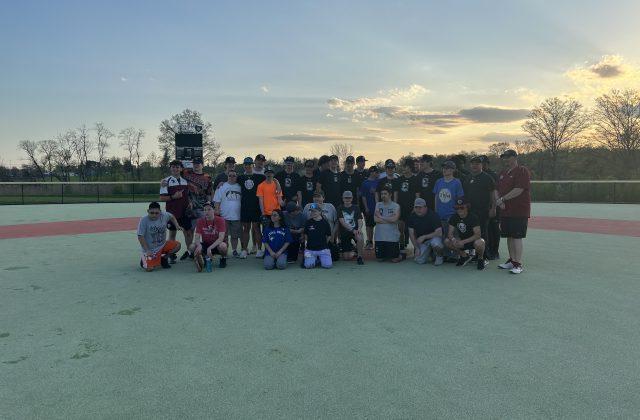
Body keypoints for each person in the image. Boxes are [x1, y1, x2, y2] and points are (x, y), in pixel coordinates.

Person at [496, 149, 531, 274]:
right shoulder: (503, 172)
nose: (506, 159)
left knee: (517, 236)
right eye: (504, 157)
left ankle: (518, 263)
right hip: (505, 211)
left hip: (519, 210)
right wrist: (499, 201)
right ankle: (512, 261)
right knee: (509, 236)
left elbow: (519, 189)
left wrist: (502, 199)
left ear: (515, 157)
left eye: (508, 157)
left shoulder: (522, 171)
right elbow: (496, 189)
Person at [159, 160, 192, 263]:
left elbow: (187, 196)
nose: (175, 169)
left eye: (177, 167)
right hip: (172, 213)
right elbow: (162, 198)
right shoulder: (165, 181)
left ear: (181, 169)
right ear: (170, 168)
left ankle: (190, 252)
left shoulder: (185, 181)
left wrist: (189, 202)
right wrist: (174, 196)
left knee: (188, 233)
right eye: (173, 167)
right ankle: (171, 254)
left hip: (185, 213)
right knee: (172, 234)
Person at [462, 156, 497, 253]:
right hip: (469, 211)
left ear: (481, 165)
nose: (474, 165)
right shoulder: (468, 177)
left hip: (483, 210)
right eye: (472, 163)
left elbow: (493, 195)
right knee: (470, 232)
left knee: (482, 233)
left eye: (477, 164)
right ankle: (473, 253)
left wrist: (493, 209)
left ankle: (484, 255)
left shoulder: (487, 178)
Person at [181, 157, 213, 259]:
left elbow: (209, 192)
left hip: (201, 208)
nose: (196, 165)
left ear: (202, 165)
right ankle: (190, 251)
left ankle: (202, 250)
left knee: (204, 231)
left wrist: (208, 204)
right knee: (189, 231)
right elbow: (175, 172)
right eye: (194, 163)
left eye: (198, 163)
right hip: (189, 207)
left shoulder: (207, 177)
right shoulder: (186, 173)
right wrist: (164, 181)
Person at [137, 202, 182, 271]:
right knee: (149, 269)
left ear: (160, 212)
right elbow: (140, 236)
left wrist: (177, 225)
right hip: (151, 249)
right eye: (151, 213)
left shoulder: (164, 215)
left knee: (177, 245)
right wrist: (147, 250)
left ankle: (164, 258)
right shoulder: (144, 220)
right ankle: (145, 259)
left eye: (156, 213)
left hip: (162, 245)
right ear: (148, 211)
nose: (154, 215)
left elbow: (172, 216)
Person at [445, 199, 487, 270]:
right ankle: (464, 256)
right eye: (457, 208)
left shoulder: (473, 217)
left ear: (467, 207)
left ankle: (480, 259)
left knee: (480, 242)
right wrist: (454, 240)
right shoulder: (454, 217)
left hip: (473, 241)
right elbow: (450, 234)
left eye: (462, 208)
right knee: (447, 241)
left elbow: (478, 235)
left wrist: (463, 242)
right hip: (462, 241)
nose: (459, 210)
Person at [238, 157, 266, 259]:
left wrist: (277, 184)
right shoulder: (240, 178)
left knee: (256, 229)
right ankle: (244, 250)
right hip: (245, 207)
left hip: (256, 208)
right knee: (246, 229)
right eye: (246, 164)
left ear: (252, 166)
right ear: (243, 166)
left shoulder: (259, 177)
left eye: (249, 164)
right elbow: (230, 180)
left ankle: (259, 249)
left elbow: (271, 178)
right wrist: (221, 183)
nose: (247, 166)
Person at [213, 169, 242, 257]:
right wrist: (217, 211)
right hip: (224, 216)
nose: (232, 177)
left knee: (235, 236)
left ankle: (234, 250)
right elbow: (217, 201)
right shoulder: (222, 186)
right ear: (227, 177)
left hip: (237, 216)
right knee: (224, 235)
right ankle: (224, 251)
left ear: (236, 177)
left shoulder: (240, 187)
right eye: (230, 175)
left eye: (234, 175)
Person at [256, 167, 283, 257]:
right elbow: (261, 200)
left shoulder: (277, 185)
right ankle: (267, 251)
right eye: (267, 173)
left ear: (273, 174)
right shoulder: (261, 186)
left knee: (278, 232)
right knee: (266, 234)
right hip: (267, 214)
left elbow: (280, 200)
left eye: (271, 173)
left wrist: (284, 204)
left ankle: (278, 250)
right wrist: (263, 213)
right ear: (265, 174)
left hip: (276, 213)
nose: (269, 174)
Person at [407, 198, 444, 265]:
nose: (418, 210)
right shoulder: (412, 216)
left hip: (434, 238)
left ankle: (439, 256)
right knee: (419, 260)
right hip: (423, 242)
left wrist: (424, 237)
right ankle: (430, 254)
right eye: (416, 207)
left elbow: (439, 233)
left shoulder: (433, 215)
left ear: (425, 207)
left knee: (436, 244)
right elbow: (411, 233)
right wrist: (416, 248)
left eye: (420, 207)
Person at [193, 202, 228, 271]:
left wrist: (209, 248)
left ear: (214, 210)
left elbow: (221, 238)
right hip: (206, 243)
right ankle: (204, 258)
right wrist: (199, 245)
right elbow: (196, 237)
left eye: (209, 209)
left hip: (217, 244)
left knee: (223, 246)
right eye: (205, 210)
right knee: (192, 247)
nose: (207, 212)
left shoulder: (221, 220)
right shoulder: (200, 221)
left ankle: (223, 258)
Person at [433, 160, 465, 234]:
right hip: (440, 215)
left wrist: (458, 213)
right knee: (442, 238)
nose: (444, 170)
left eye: (447, 168)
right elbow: (436, 197)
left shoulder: (457, 182)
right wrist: (436, 211)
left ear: (453, 170)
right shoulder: (438, 181)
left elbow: (460, 199)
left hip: (452, 215)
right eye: (443, 168)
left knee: (451, 237)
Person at [395, 159, 416, 259]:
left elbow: (417, 195)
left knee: (413, 229)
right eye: (404, 166)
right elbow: (396, 194)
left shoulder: (415, 179)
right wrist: (395, 206)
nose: (404, 168)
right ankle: (402, 246)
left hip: (411, 209)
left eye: (406, 166)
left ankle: (416, 248)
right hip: (401, 208)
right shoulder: (399, 179)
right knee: (401, 229)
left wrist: (415, 208)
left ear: (410, 168)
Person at [374, 187, 401, 263]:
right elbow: (375, 219)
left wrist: (381, 217)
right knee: (379, 259)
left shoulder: (396, 206)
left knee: (394, 260)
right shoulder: (378, 205)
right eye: (382, 194)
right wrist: (389, 219)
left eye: (385, 194)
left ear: (390, 195)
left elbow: (395, 219)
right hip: (379, 237)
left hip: (392, 237)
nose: (383, 195)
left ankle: (402, 254)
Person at [337, 191, 365, 265]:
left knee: (360, 237)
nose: (347, 199)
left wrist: (359, 229)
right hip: (345, 233)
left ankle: (360, 257)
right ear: (343, 198)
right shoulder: (340, 208)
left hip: (355, 231)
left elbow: (360, 220)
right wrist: (352, 230)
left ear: (352, 198)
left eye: (349, 198)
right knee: (346, 258)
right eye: (346, 198)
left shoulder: (356, 207)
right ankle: (354, 250)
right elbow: (342, 222)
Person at [481, 155, 501, 260]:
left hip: (492, 207)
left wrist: (493, 207)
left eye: (483, 163)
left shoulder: (492, 175)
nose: (482, 165)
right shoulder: (477, 175)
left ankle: (494, 251)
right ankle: (486, 251)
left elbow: (496, 192)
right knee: (485, 230)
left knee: (494, 229)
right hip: (482, 208)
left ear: (487, 164)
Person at [303, 203, 333, 269]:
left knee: (328, 266)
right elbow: (305, 235)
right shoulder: (308, 222)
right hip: (310, 249)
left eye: (314, 211)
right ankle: (315, 259)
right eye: (311, 211)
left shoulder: (325, 222)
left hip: (323, 249)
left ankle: (320, 258)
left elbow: (329, 235)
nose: (312, 213)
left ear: (320, 211)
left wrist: (324, 243)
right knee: (308, 266)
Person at [359, 166, 380, 250]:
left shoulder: (379, 182)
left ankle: (378, 242)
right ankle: (369, 241)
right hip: (369, 208)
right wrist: (366, 207)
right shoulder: (365, 183)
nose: (377, 174)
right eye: (375, 172)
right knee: (369, 226)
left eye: (377, 172)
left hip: (378, 208)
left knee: (379, 226)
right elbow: (363, 197)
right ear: (371, 172)